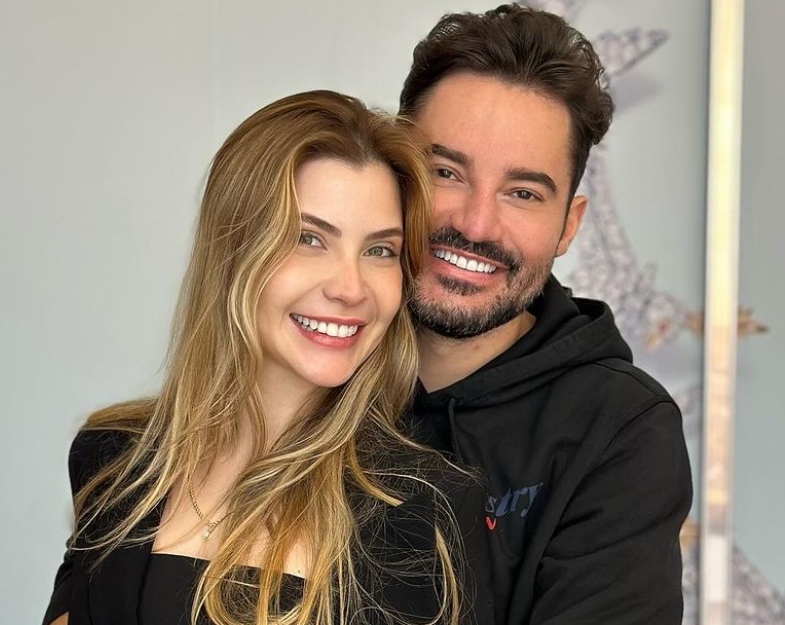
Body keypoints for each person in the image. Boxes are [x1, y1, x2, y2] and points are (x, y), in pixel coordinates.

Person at [43, 90, 493, 625]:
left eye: (380, 250)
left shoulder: (430, 510)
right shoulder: (113, 458)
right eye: (309, 239)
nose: (351, 288)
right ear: (234, 251)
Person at [398, 5, 693, 624]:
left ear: (568, 226)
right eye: (445, 172)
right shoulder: (312, 372)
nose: (476, 224)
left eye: (523, 193)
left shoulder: (619, 430)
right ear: (391, 173)